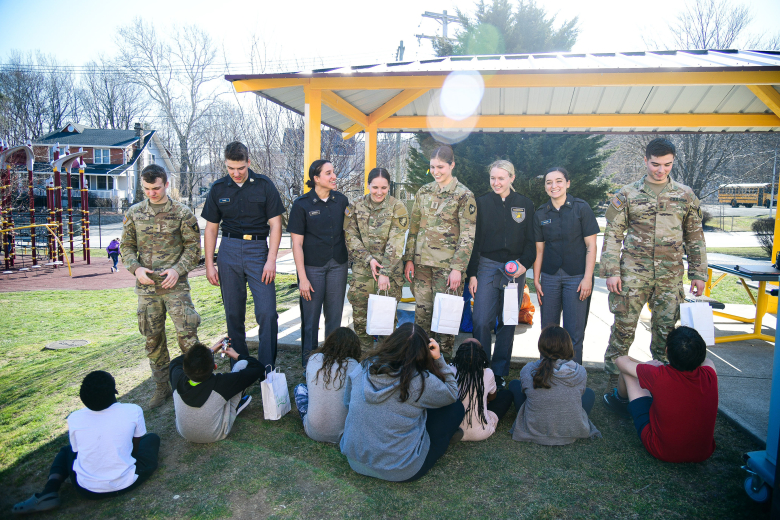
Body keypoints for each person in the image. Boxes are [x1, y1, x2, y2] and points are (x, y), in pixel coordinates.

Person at [601, 138, 708, 401]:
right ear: (645, 160)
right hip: (632, 276)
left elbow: (695, 237)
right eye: (655, 164)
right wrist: (612, 271)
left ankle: (661, 390)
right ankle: (618, 391)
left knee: (666, 334)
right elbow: (613, 235)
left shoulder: (685, 195)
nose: (661, 170)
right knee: (623, 330)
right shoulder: (627, 194)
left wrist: (698, 273)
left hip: (670, 278)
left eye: (667, 165)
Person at [11, 371, 160, 515]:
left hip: (88, 490)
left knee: (66, 451)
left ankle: (49, 491)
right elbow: (135, 449)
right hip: (129, 482)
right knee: (152, 438)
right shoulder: (132, 410)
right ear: (114, 391)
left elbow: (76, 451)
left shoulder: (75, 418)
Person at [340, 323, 465, 482]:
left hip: (356, 461)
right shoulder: (421, 380)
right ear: (423, 351)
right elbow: (452, 393)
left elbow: (347, 403)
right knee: (455, 408)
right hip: (401, 469)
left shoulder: (364, 366)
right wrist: (438, 359)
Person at [120, 164, 202, 408]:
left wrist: (177, 270)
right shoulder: (134, 213)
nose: (151, 193)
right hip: (147, 289)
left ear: (166, 184)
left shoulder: (182, 213)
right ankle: (161, 386)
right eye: (146, 189)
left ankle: (195, 383)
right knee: (152, 339)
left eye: (156, 188)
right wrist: (136, 268)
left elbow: (193, 249)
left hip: (175, 287)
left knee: (187, 336)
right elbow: (126, 246)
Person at [202, 141, 284, 372]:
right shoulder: (218, 188)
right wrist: (210, 264)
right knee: (233, 314)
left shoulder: (264, 185)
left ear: (249, 162)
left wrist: (271, 260)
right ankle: (240, 368)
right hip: (228, 251)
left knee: (267, 313)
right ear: (225, 165)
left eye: (240, 168)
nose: (236, 173)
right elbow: (211, 228)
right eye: (231, 168)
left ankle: (266, 369)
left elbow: (276, 225)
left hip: (258, 252)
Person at [466, 159, 535, 387]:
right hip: (487, 265)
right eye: (493, 178)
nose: (496, 183)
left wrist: (525, 263)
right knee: (482, 319)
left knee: (508, 319)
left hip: (515, 269)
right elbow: (474, 241)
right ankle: (481, 367)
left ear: (512, 178)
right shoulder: (482, 203)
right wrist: (472, 274)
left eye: (501, 178)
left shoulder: (525, 204)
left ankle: (499, 372)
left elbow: (531, 240)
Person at [604, 326, 718, 463]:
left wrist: (647, 365)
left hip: (662, 450)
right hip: (703, 452)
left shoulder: (658, 375)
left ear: (667, 351)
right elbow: (707, 361)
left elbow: (621, 361)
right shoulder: (709, 372)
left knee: (628, 373)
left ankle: (620, 401)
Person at [404, 145, 477, 356]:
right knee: (422, 314)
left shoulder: (464, 195)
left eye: (441, 167)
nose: (436, 171)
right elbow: (414, 228)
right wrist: (409, 259)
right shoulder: (424, 192)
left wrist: (458, 268)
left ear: (452, 165)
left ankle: (443, 364)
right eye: (432, 167)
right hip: (422, 266)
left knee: (445, 319)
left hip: (447, 268)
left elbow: (467, 235)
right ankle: (420, 360)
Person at [533, 167, 600, 365]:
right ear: (545, 187)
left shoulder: (582, 208)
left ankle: (573, 377)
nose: (554, 186)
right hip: (550, 278)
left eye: (559, 181)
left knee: (574, 332)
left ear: (568, 183)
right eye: (549, 182)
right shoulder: (540, 214)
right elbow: (539, 251)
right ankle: (546, 376)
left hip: (577, 278)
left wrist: (587, 277)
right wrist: (536, 280)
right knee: (548, 330)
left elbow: (591, 246)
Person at [287, 160, 350, 367]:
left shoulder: (341, 201)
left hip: (338, 266)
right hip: (312, 269)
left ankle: (331, 364)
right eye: (328, 173)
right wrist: (302, 278)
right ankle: (310, 366)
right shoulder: (301, 204)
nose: (334, 176)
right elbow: (296, 244)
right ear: (316, 178)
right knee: (310, 320)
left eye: (334, 172)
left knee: (334, 318)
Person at [344, 168, 409, 350]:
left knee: (386, 325)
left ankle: (384, 365)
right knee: (360, 321)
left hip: (388, 276)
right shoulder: (355, 206)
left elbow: (396, 241)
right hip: (363, 273)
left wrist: (385, 271)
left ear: (389, 187)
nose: (379, 192)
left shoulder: (398, 207)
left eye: (384, 188)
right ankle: (364, 362)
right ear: (368, 185)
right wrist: (369, 259)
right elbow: (350, 236)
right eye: (375, 187)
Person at [508, 325, 600, 445]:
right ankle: (568, 418)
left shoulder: (528, 369)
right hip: (570, 430)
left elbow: (525, 392)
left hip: (534, 428)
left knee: (514, 385)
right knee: (588, 393)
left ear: (541, 346)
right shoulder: (580, 371)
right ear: (568, 346)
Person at [169, 339, 263, 443]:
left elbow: (175, 362)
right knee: (242, 365)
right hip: (216, 434)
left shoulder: (177, 377)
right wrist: (237, 356)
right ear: (215, 367)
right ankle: (236, 407)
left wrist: (210, 351)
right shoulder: (221, 383)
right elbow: (258, 367)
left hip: (184, 433)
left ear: (184, 367)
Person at [293, 327, 361, 443]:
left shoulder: (315, 358)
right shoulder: (354, 366)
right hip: (343, 433)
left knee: (300, 388)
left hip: (313, 432)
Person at [451, 339, 514, 441]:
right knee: (506, 395)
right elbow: (493, 397)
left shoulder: (450, 370)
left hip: (452, 428)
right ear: (481, 355)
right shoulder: (487, 372)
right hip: (482, 431)